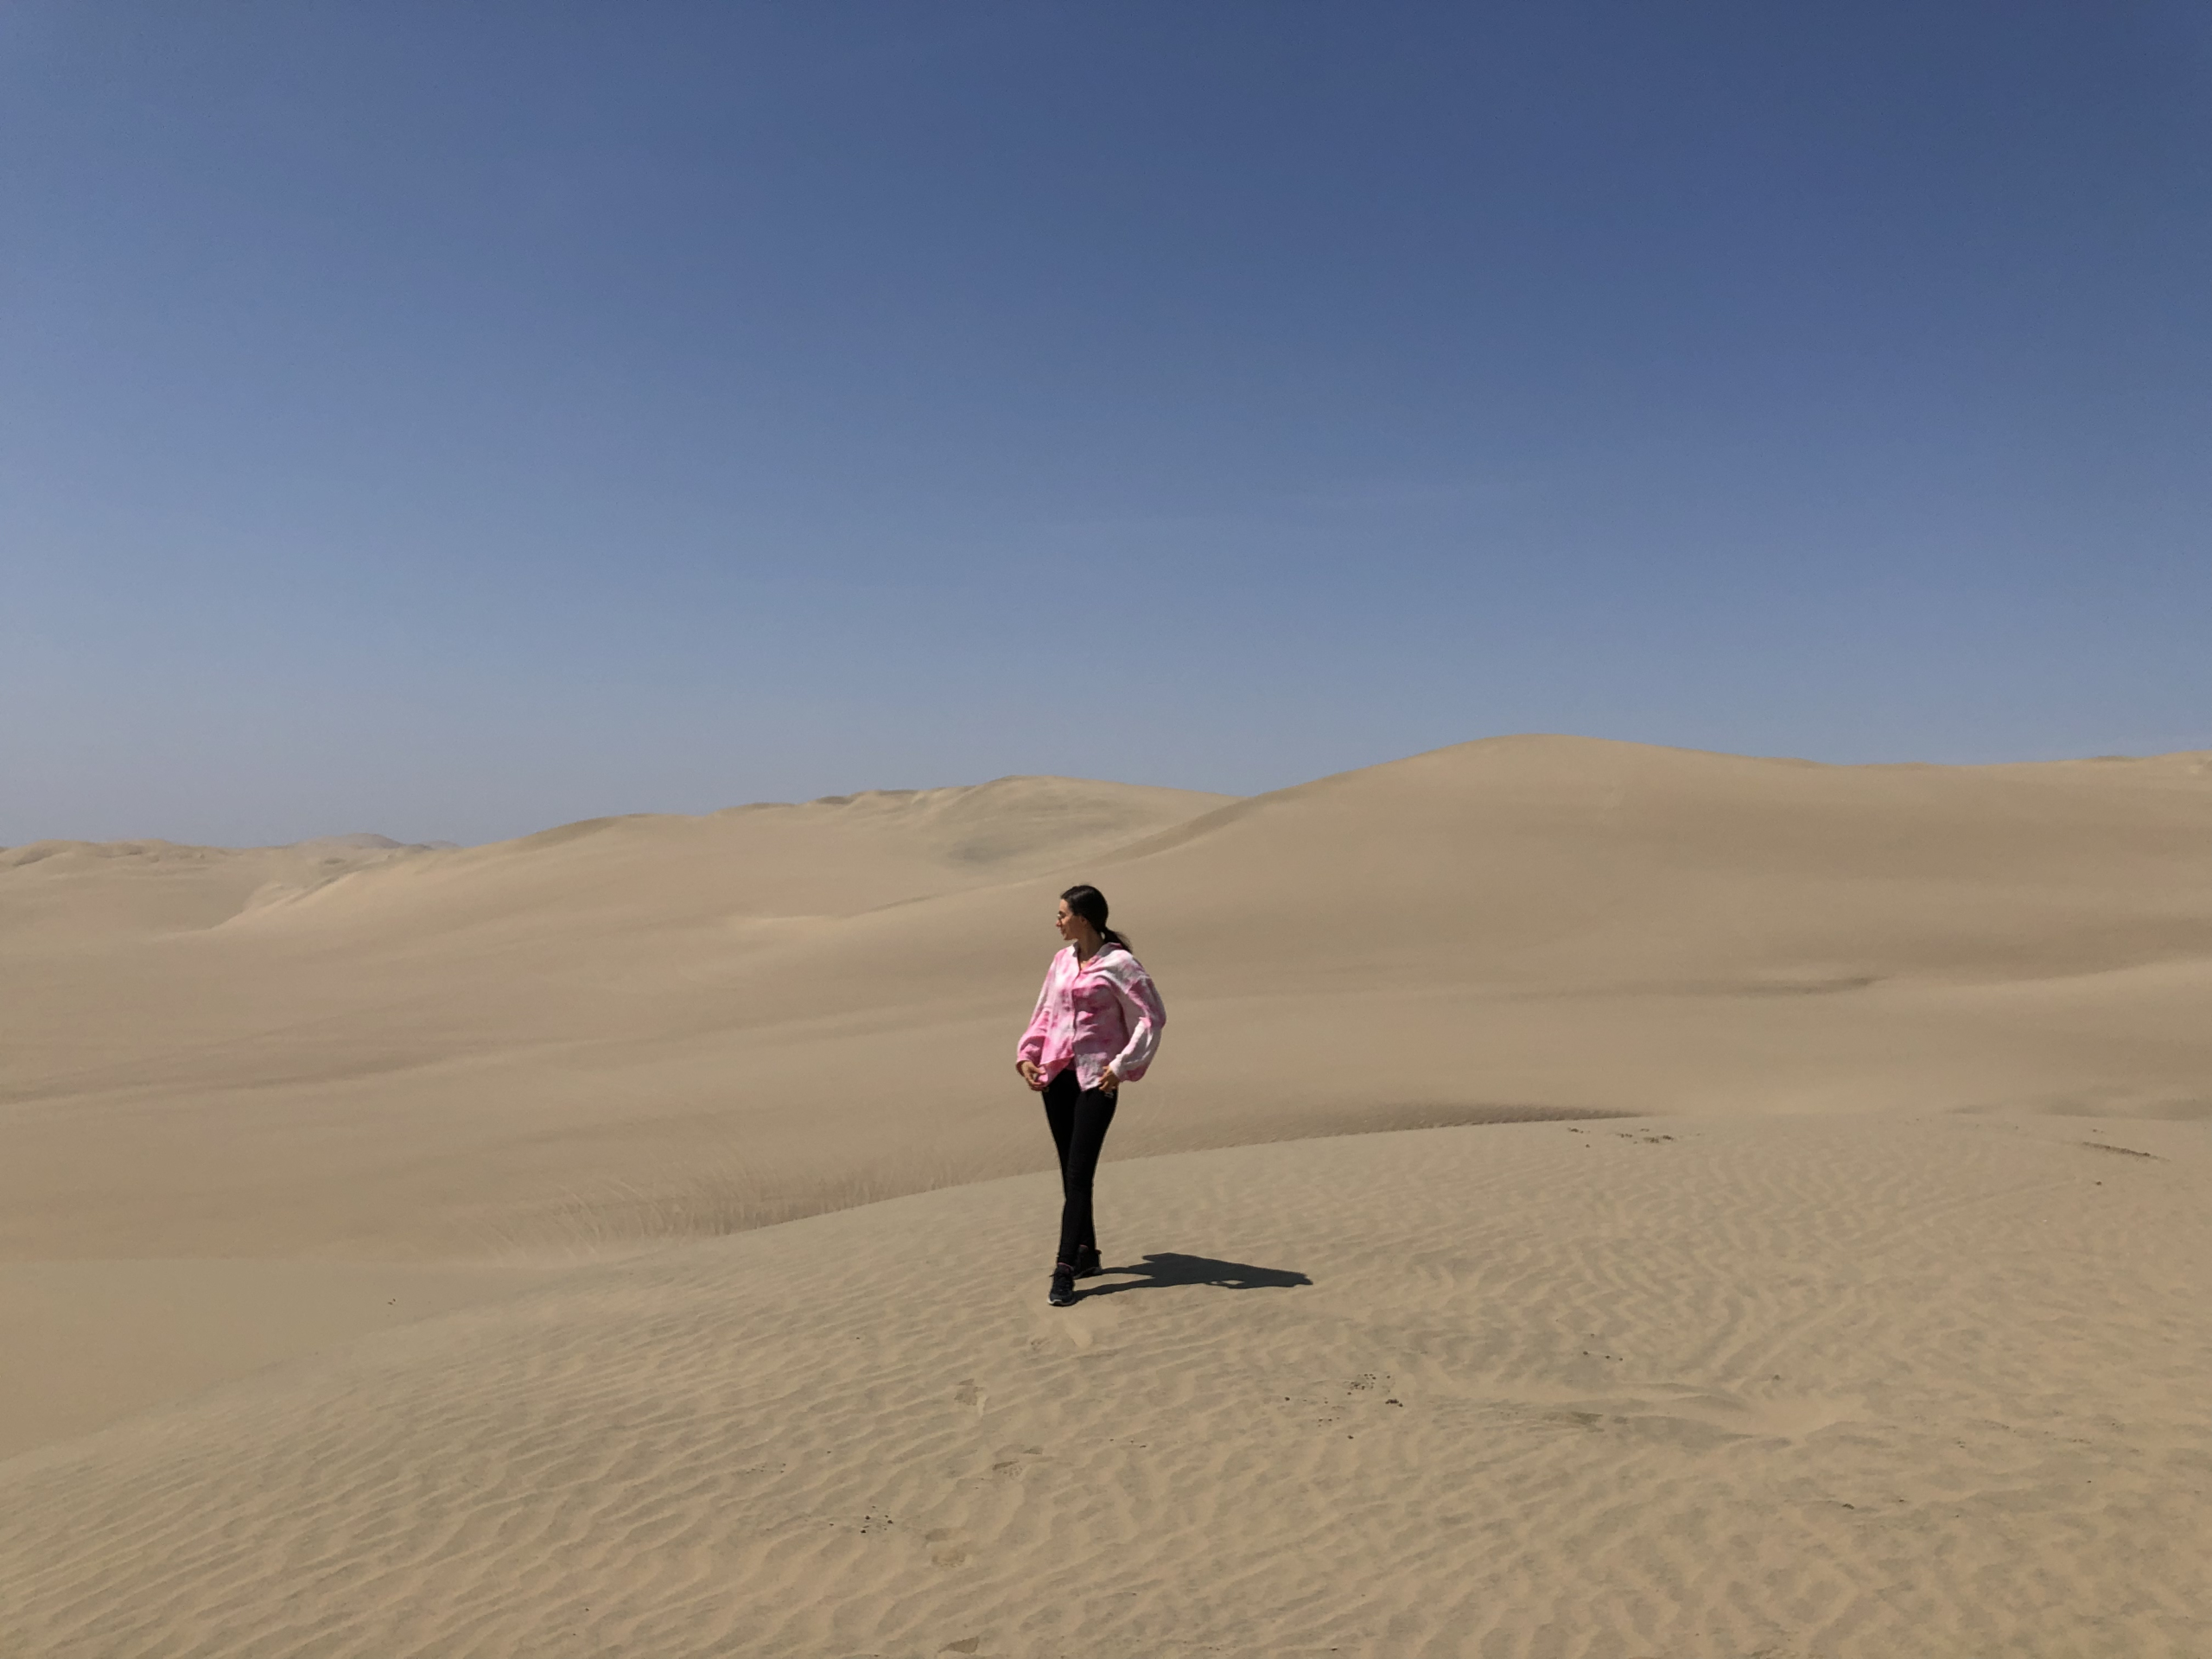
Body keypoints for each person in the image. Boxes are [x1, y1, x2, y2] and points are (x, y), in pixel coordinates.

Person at [1015, 884, 1166, 1306]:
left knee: (1080, 1174)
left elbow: (1152, 1017)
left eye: (1063, 914)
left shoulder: (1120, 964)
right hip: (1057, 1074)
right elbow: (1046, 1010)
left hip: (1098, 1078)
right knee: (1069, 1172)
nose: (1057, 921)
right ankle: (1087, 1253)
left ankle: (1064, 1269)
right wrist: (1029, 1053)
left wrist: (1122, 1066)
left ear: (1084, 919)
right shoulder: (1062, 960)